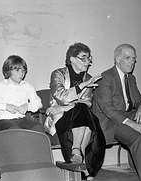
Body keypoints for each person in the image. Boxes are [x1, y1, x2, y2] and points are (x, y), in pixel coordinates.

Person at [92, 43, 141, 181]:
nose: (132, 62)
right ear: (117, 59)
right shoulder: (105, 77)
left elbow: (138, 99)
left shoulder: (131, 78)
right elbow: (107, 108)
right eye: (127, 58)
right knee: (136, 137)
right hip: (111, 121)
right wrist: (131, 123)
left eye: (134, 59)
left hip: (126, 116)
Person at [45, 42, 106, 180]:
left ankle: (77, 152)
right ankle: (82, 162)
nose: (88, 62)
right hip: (61, 119)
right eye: (84, 58)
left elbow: (86, 102)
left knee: (84, 110)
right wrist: (82, 87)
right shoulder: (58, 74)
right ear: (72, 59)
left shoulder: (89, 78)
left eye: (89, 58)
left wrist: (63, 107)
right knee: (84, 113)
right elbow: (61, 96)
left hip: (78, 115)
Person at [0, 55, 45, 133]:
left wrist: (27, 106)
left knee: (38, 127)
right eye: (17, 70)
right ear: (9, 71)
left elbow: (38, 103)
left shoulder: (27, 86)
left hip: (22, 120)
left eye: (23, 71)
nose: (21, 74)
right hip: (4, 121)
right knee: (15, 128)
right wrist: (5, 106)